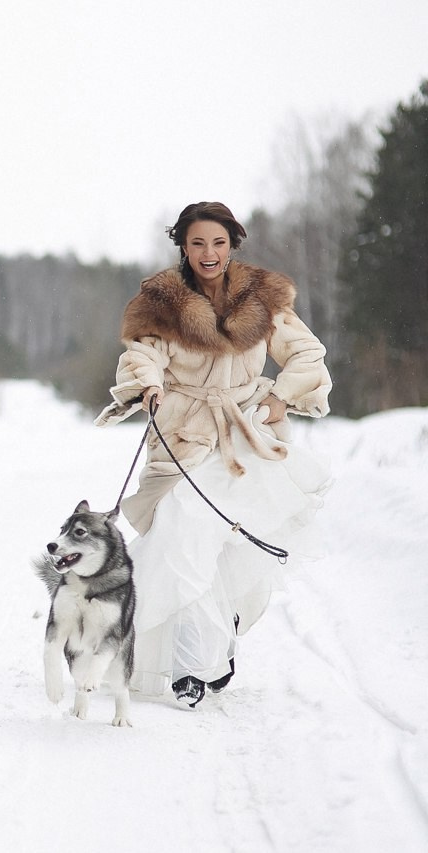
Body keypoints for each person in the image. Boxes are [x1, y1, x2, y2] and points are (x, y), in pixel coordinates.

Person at [95, 201, 332, 707]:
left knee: (215, 543)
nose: (209, 253)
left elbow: (306, 353)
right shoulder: (161, 299)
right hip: (181, 433)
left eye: (219, 243)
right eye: (198, 242)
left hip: (243, 435)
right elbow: (142, 353)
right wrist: (149, 385)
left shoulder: (264, 298)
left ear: (233, 244)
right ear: (182, 244)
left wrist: (279, 397)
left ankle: (205, 653)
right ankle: (194, 664)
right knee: (181, 534)